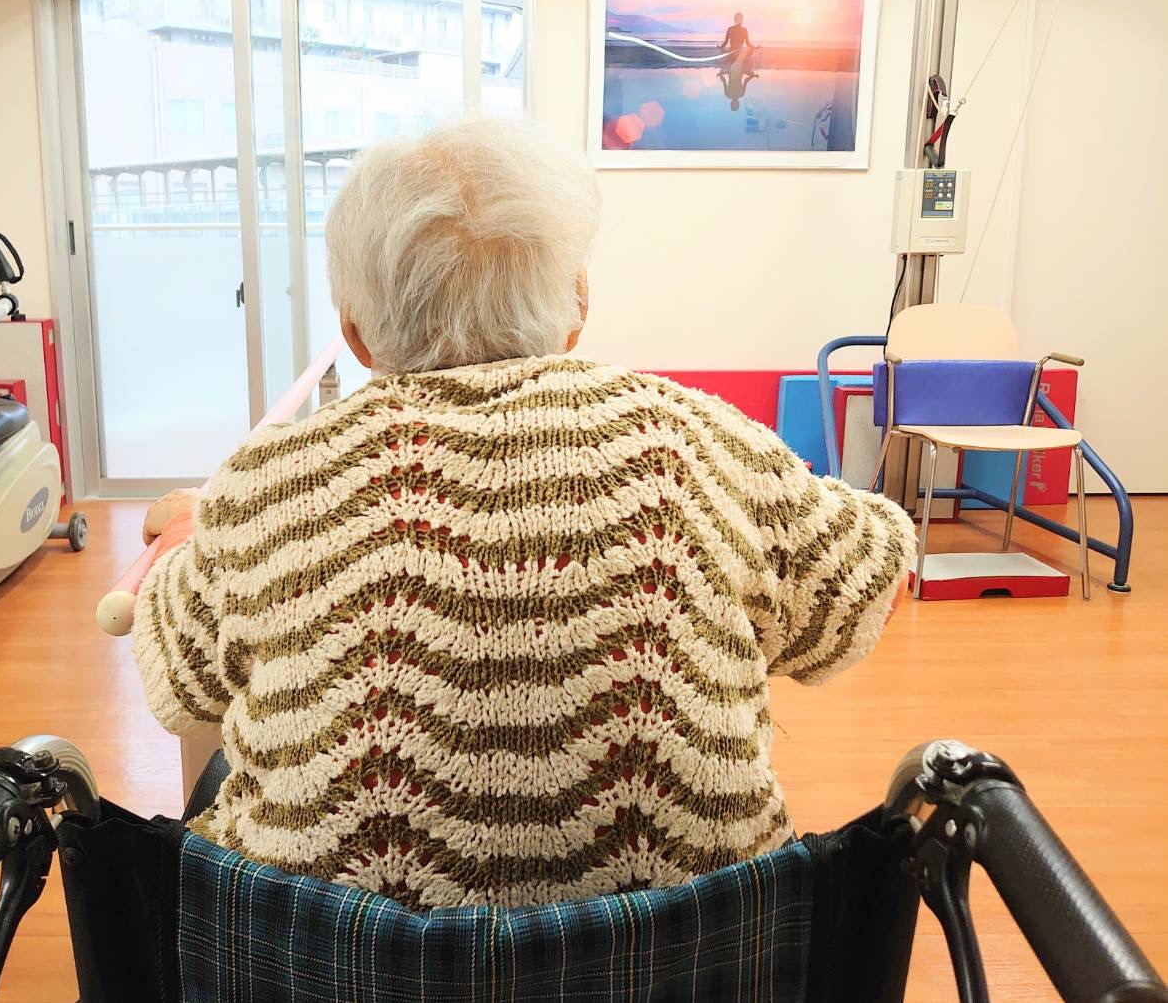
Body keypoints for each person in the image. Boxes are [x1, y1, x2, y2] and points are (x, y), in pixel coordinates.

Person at [132, 118, 916, 910]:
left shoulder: (266, 484)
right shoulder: (699, 441)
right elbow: (861, 595)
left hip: (328, 957)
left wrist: (188, 529)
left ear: (355, 334)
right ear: (578, 302)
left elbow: (182, 684)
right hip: (697, 951)